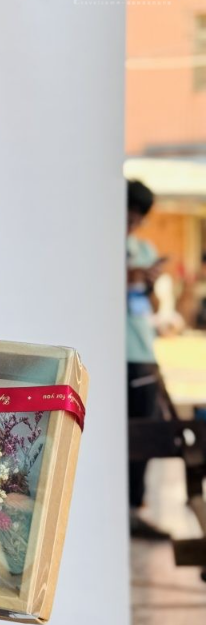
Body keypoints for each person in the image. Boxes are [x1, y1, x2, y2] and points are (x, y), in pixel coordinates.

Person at [126, 179, 169, 539]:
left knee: (145, 431)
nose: (133, 222)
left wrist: (149, 282)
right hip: (115, 352)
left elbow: (153, 307)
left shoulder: (144, 249)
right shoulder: (102, 245)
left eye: (139, 217)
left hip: (141, 350)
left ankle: (134, 508)